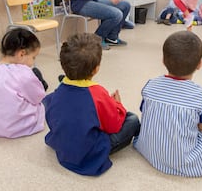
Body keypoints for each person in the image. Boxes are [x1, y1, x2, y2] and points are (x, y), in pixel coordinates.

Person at [134, 31, 202, 177]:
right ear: (200, 64)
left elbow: (145, 113)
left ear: (163, 60)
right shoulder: (200, 95)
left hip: (148, 150)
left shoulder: (151, 85)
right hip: (186, 161)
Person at [44, 33, 140, 176]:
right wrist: (118, 105)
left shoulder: (57, 91)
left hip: (63, 144)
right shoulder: (98, 93)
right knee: (132, 119)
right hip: (89, 150)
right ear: (96, 69)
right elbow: (113, 126)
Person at [0, 28, 47, 138]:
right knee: (47, 101)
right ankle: (39, 79)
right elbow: (38, 97)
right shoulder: (23, 74)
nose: (33, 62)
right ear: (22, 54)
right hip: (17, 127)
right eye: (33, 57)